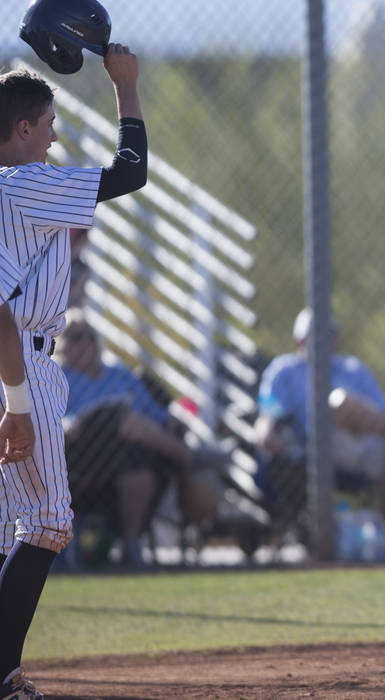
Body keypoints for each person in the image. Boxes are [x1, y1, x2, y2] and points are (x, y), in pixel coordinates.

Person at [0, 46, 148, 699]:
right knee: (49, 523)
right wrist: (126, 88)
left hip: (20, 362)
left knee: (15, 528)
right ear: (23, 128)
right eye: (49, 121)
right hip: (17, 368)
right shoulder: (21, 183)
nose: (55, 132)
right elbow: (130, 172)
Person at [254, 308, 385, 556]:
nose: (321, 340)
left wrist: (362, 421)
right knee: (339, 402)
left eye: (328, 334)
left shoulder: (353, 369)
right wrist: (264, 433)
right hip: (310, 449)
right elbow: (269, 413)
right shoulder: (284, 371)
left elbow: (382, 415)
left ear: (336, 338)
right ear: (299, 340)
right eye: (313, 334)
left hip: (359, 445)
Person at [57, 310, 199, 567]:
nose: (85, 343)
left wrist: (175, 419)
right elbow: (52, 421)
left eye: (89, 336)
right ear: (62, 342)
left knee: (139, 463)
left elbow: (155, 415)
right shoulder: (58, 377)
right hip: (79, 455)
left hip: (126, 452)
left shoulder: (120, 374)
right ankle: (191, 457)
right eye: (75, 336)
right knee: (123, 419)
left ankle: (131, 544)